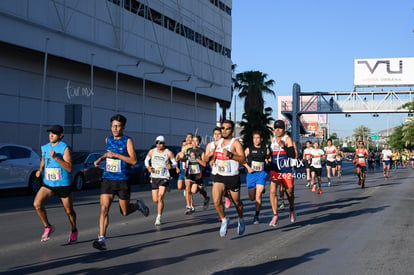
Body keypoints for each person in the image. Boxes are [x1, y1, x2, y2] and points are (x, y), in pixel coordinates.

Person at [92, 114, 149, 250]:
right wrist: (100, 159)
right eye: (113, 126)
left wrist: (117, 155)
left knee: (124, 211)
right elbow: (108, 153)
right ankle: (102, 239)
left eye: (118, 126)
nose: (115, 128)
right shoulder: (108, 139)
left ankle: (138, 206)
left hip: (122, 180)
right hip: (108, 179)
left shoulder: (127, 140)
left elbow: (134, 161)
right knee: (104, 208)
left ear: (123, 127)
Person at [33, 125, 78, 244]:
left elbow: (69, 168)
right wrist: (40, 169)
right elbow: (44, 158)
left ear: (61, 136)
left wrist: (57, 158)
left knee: (69, 211)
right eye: (50, 133)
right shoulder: (45, 147)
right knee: (37, 204)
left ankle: (74, 229)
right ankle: (48, 227)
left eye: (54, 133)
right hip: (48, 183)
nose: (51, 135)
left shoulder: (65, 148)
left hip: (63, 184)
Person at [212, 120, 246, 237]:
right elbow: (214, 154)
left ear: (232, 130)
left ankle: (240, 219)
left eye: (228, 128)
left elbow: (243, 159)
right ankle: (224, 220)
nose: (224, 130)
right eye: (222, 128)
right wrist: (212, 159)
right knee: (216, 201)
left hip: (232, 177)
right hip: (219, 175)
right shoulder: (218, 142)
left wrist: (231, 155)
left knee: (237, 202)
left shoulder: (235, 143)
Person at [269, 120, 297, 226]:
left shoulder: (287, 139)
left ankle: (291, 208)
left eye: (280, 128)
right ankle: (275, 214)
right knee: (272, 191)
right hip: (275, 169)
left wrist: (283, 146)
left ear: (284, 129)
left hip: (286, 169)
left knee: (289, 192)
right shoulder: (272, 140)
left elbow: (293, 154)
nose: (277, 130)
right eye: (276, 128)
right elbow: (270, 154)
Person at [145, 136, 177, 226]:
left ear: (164, 143)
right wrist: (148, 167)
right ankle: (167, 188)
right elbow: (146, 160)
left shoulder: (169, 153)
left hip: (164, 176)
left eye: (161, 143)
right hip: (154, 176)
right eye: (157, 143)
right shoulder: (152, 151)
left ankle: (158, 217)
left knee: (160, 197)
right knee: (155, 200)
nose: (159, 145)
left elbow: (175, 163)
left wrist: (172, 166)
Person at [243, 131, 270, 224]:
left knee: (258, 195)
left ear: (261, 139)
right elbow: (242, 159)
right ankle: (260, 189)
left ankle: (256, 216)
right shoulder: (248, 149)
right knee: (251, 198)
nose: (256, 140)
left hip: (261, 174)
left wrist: (268, 162)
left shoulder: (265, 149)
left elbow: (268, 159)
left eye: (258, 138)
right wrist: (248, 168)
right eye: (254, 138)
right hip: (251, 174)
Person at [183, 135, 210, 214]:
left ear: (199, 142)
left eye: (196, 141)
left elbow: (204, 164)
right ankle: (189, 207)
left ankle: (206, 198)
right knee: (187, 188)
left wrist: (196, 158)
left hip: (198, 174)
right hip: (189, 172)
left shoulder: (201, 151)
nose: (194, 143)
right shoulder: (188, 150)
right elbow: (185, 158)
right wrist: (181, 158)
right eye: (193, 141)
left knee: (195, 190)